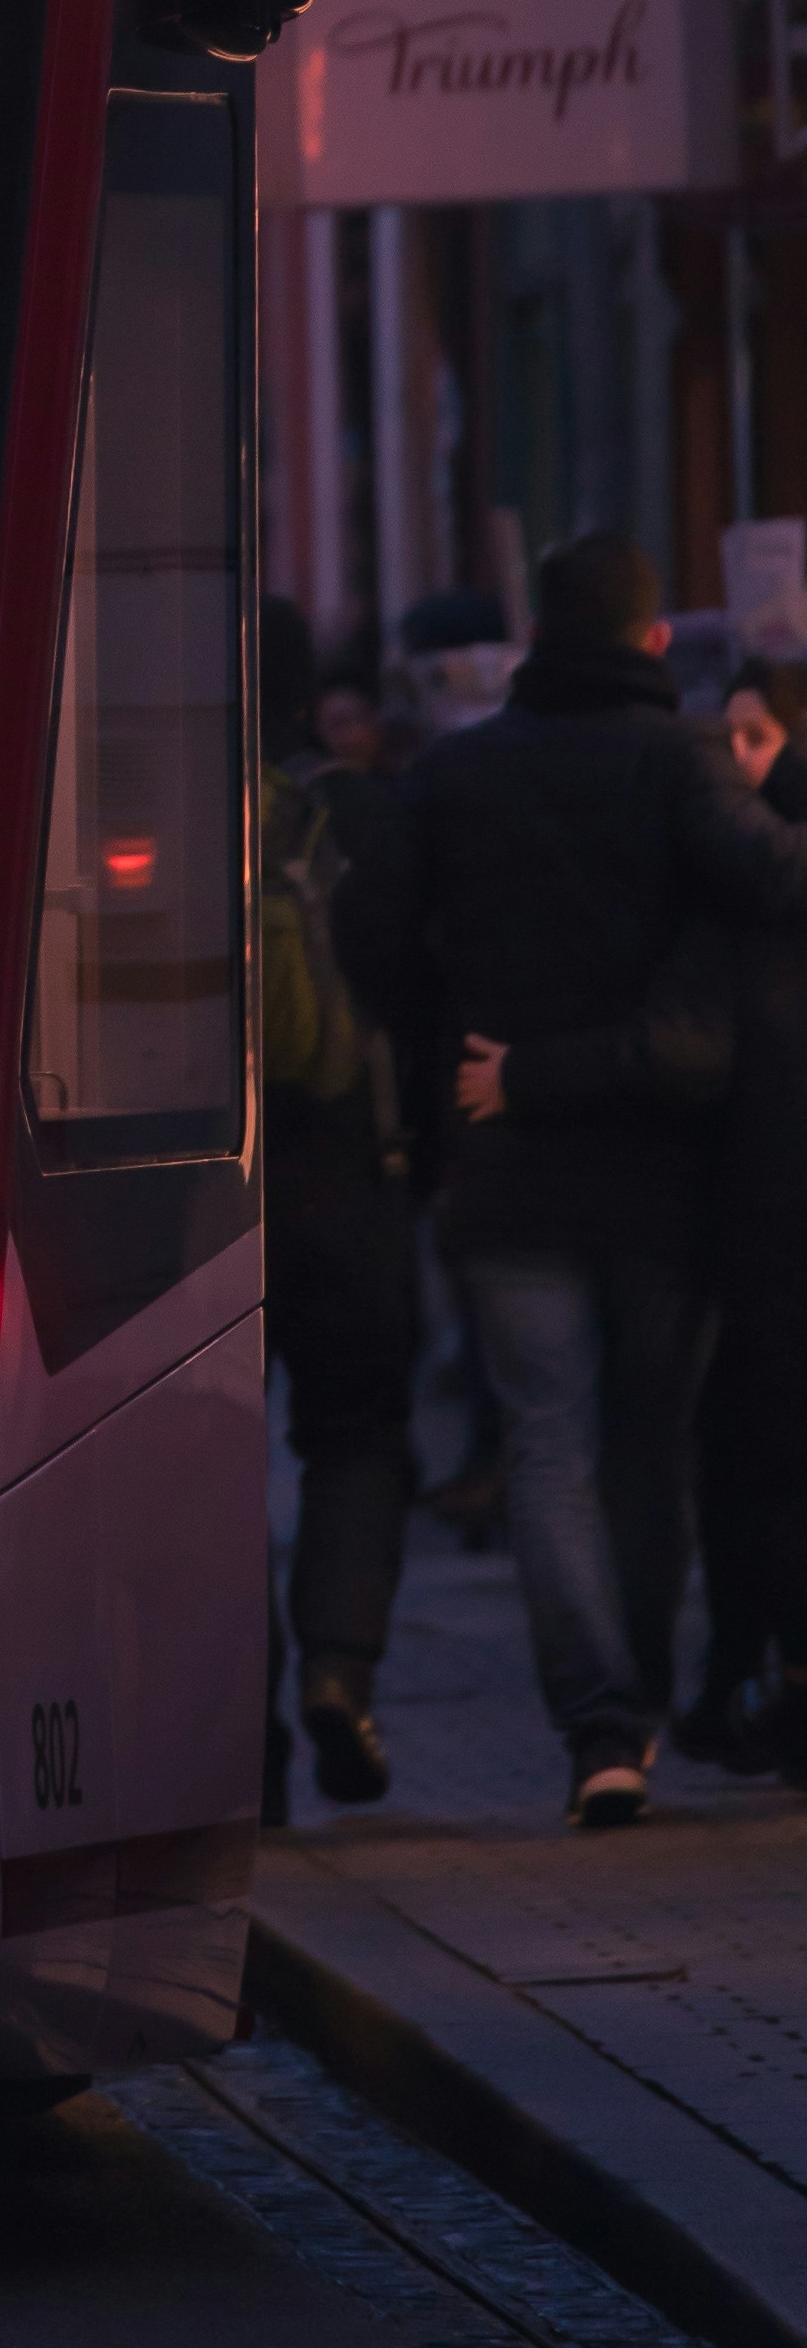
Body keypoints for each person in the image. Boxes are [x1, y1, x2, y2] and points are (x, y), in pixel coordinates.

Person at [339, 533, 807, 1826]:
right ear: (656, 643)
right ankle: (636, 1717)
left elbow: (372, 930)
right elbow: (772, 877)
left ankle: (596, 1724)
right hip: (664, 1175)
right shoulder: (680, 763)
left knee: (546, 1442)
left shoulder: (456, 774)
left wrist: (446, 1047)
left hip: (507, 1162)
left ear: (538, 634)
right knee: (648, 1451)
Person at [256, 597, 418, 1812]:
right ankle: (339, 1677)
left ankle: (236, 1729)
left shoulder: (144, 814)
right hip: (350, 1182)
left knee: (204, 1466)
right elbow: (419, 987)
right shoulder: (357, 815)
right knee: (357, 1437)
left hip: (201, 1198)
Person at [689, 645, 807, 1771]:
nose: (736, 762)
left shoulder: (754, 877)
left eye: (756, 738)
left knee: (758, 1455)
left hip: (772, 1209)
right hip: (763, 1210)